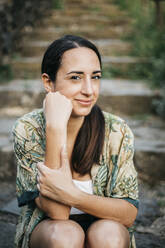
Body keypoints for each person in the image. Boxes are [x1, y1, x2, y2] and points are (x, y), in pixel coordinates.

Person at [12, 35, 139, 248]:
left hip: (106, 229)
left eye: (96, 77)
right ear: (48, 82)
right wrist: (55, 128)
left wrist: (73, 195)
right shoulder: (28, 129)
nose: (89, 90)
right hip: (50, 231)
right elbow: (58, 212)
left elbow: (128, 213)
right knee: (64, 235)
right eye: (75, 78)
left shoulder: (117, 131)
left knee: (108, 235)